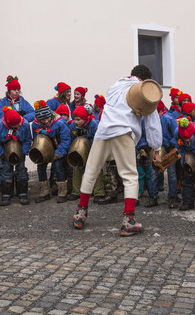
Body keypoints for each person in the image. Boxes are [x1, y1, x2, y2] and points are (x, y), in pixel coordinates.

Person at [72, 65, 162, 236]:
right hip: (123, 130)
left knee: (91, 172)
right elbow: (153, 123)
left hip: (103, 130)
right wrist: (156, 149)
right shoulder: (144, 91)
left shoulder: (115, 86)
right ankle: (128, 221)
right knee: (130, 176)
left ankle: (80, 213)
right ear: (146, 80)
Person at [0, 106, 32, 206]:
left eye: (19, 124)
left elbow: (28, 139)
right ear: (9, 125)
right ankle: (6, 194)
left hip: (20, 149)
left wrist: (24, 151)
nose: (18, 126)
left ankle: (22, 193)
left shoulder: (24, 124)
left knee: (21, 170)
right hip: (5, 150)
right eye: (16, 126)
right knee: (6, 172)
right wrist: (1, 153)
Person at [31, 101, 71, 203]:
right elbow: (36, 139)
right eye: (42, 119)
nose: (45, 121)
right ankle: (44, 192)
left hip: (58, 148)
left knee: (58, 167)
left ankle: (63, 192)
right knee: (40, 167)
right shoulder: (35, 125)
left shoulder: (60, 122)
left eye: (47, 118)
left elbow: (66, 140)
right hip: (43, 149)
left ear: (50, 115)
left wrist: (59, 153)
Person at [67, 105, 99, 202]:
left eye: (78, 119)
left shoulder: (93, 124)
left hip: (92, 148)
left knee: (95, 170)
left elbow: (97, 139)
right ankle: (76, 191)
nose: (76, 122)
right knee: (77, 168)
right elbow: (71, 139)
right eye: (74, 119)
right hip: (78, 150)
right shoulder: (73, 125)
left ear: (85, 118)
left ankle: (98, 192)